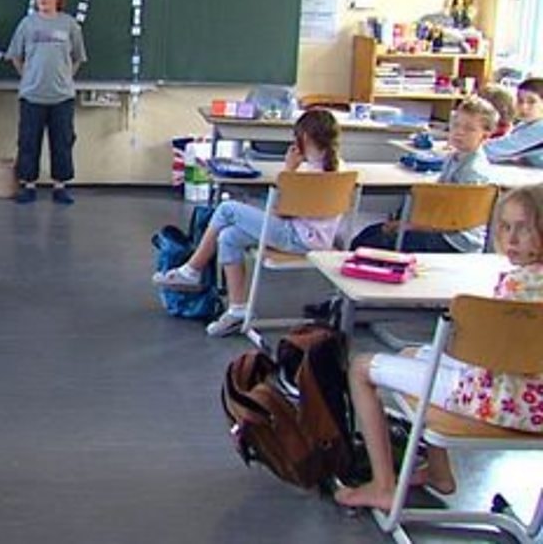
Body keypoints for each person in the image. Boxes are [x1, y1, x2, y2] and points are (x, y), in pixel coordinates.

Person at [335, 185, 543, 511]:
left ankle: (383, 486)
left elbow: (475, 352)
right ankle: (437, 472)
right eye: (505, 227)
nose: (512, 239)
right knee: (412, 354)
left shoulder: (515, 285)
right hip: (534, 402)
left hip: (498, 402)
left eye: (524, 228)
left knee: (361, 367)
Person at [153, 109, 344, 337]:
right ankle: (238, 311)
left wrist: (288, 170)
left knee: (227, 208)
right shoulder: (340, 168)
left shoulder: (306, 174)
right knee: (229, 236)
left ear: (303, 137)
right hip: (318, 239)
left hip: (296, 237)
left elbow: (281, 212)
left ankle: (192, 270)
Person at [349, 97, 498, 253]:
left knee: (373, 243)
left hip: (455, 240)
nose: (459, 132)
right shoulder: (453, 157)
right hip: (440, 228)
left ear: (485, 136)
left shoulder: (473, 171)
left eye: (469, 129)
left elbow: (454, 220)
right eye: (456, 125)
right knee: (368, 234)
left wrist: (409, 226)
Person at [7, 0, 87, 205]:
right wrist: (28, 76)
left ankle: (60, 186)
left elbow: (78, 57)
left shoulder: (69, 24)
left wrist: (66, 77)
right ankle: (28, 185)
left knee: (62, 142)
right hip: (32, 95)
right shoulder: (27, 24)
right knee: (28, 142)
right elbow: (15, 55)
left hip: (62, 96)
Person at [484, 78, 543, 166]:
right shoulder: (524, 125)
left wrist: (468, 144)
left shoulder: (540, 128)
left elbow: (496, 149)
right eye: (520, 101)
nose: (523, 107)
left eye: (531, 102)